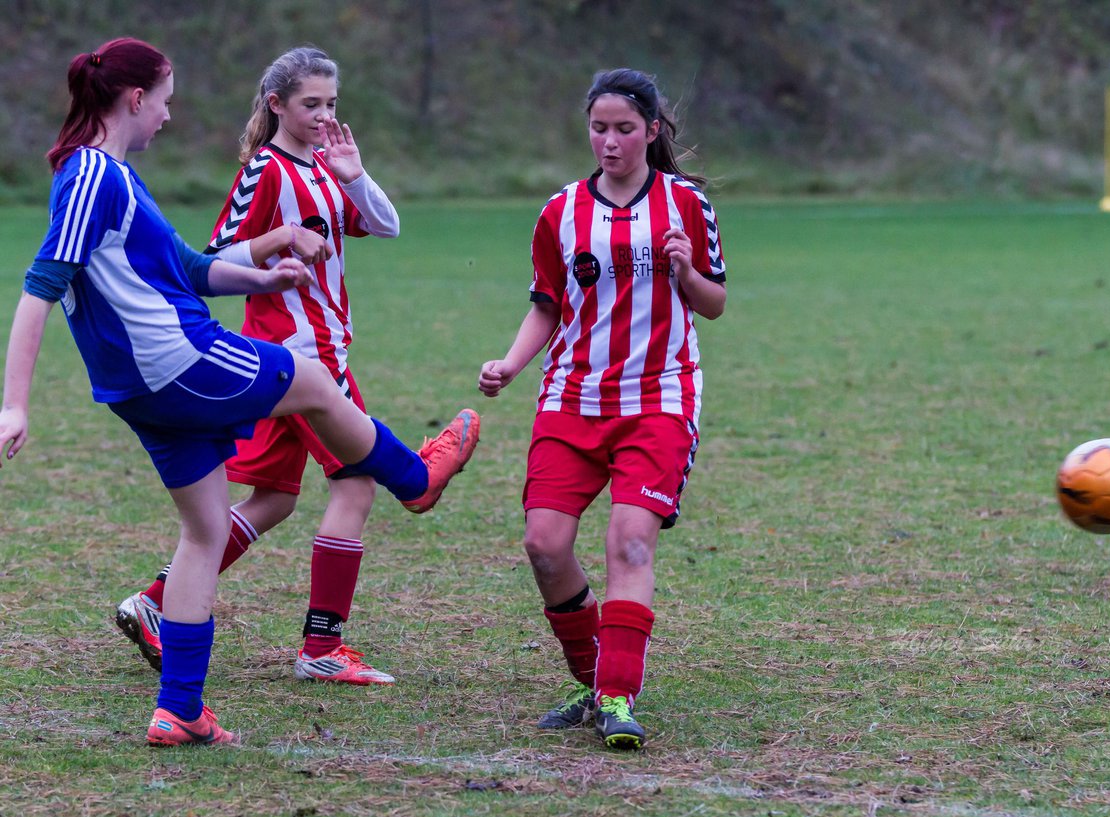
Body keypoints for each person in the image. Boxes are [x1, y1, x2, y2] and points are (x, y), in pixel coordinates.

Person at [0, 38, 479, 747]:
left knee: (205, 531)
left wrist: (264, 278)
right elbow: (42, 284)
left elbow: (192, 268)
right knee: (313, 381)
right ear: (136, 99)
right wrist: (14, 402)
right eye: (165, 99)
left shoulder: (111, 176)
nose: (168, 113)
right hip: (178, 359)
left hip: (138, 389)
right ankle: (416, 477)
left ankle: (180, 709)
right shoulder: (94, 174)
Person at [115, 46, 417, 686]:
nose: (323, 115)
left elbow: (386, 226)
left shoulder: (327, 168)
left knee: (275, 498)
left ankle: (153, 601)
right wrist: (279, 239)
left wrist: (355, 174)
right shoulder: (267, 170)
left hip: (311, 347)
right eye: (311, 104)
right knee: (357, 485)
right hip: (300, 353)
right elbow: (212, 253)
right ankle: (322, 647)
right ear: (276, 104)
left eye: (332, 104)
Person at [478, 68, 727, 749]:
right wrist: (509, 362)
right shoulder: (560, 211)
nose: (609, 141)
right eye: (598, 128)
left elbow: (715, 301)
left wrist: (685, 272)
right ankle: (595, 682)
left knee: (630, 542)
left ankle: (617, 695)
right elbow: (547, 303)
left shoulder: (685, 205)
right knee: (544, 544)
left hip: (658, 398)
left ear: (651, 130)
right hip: (572, 397)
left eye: (623, 129)